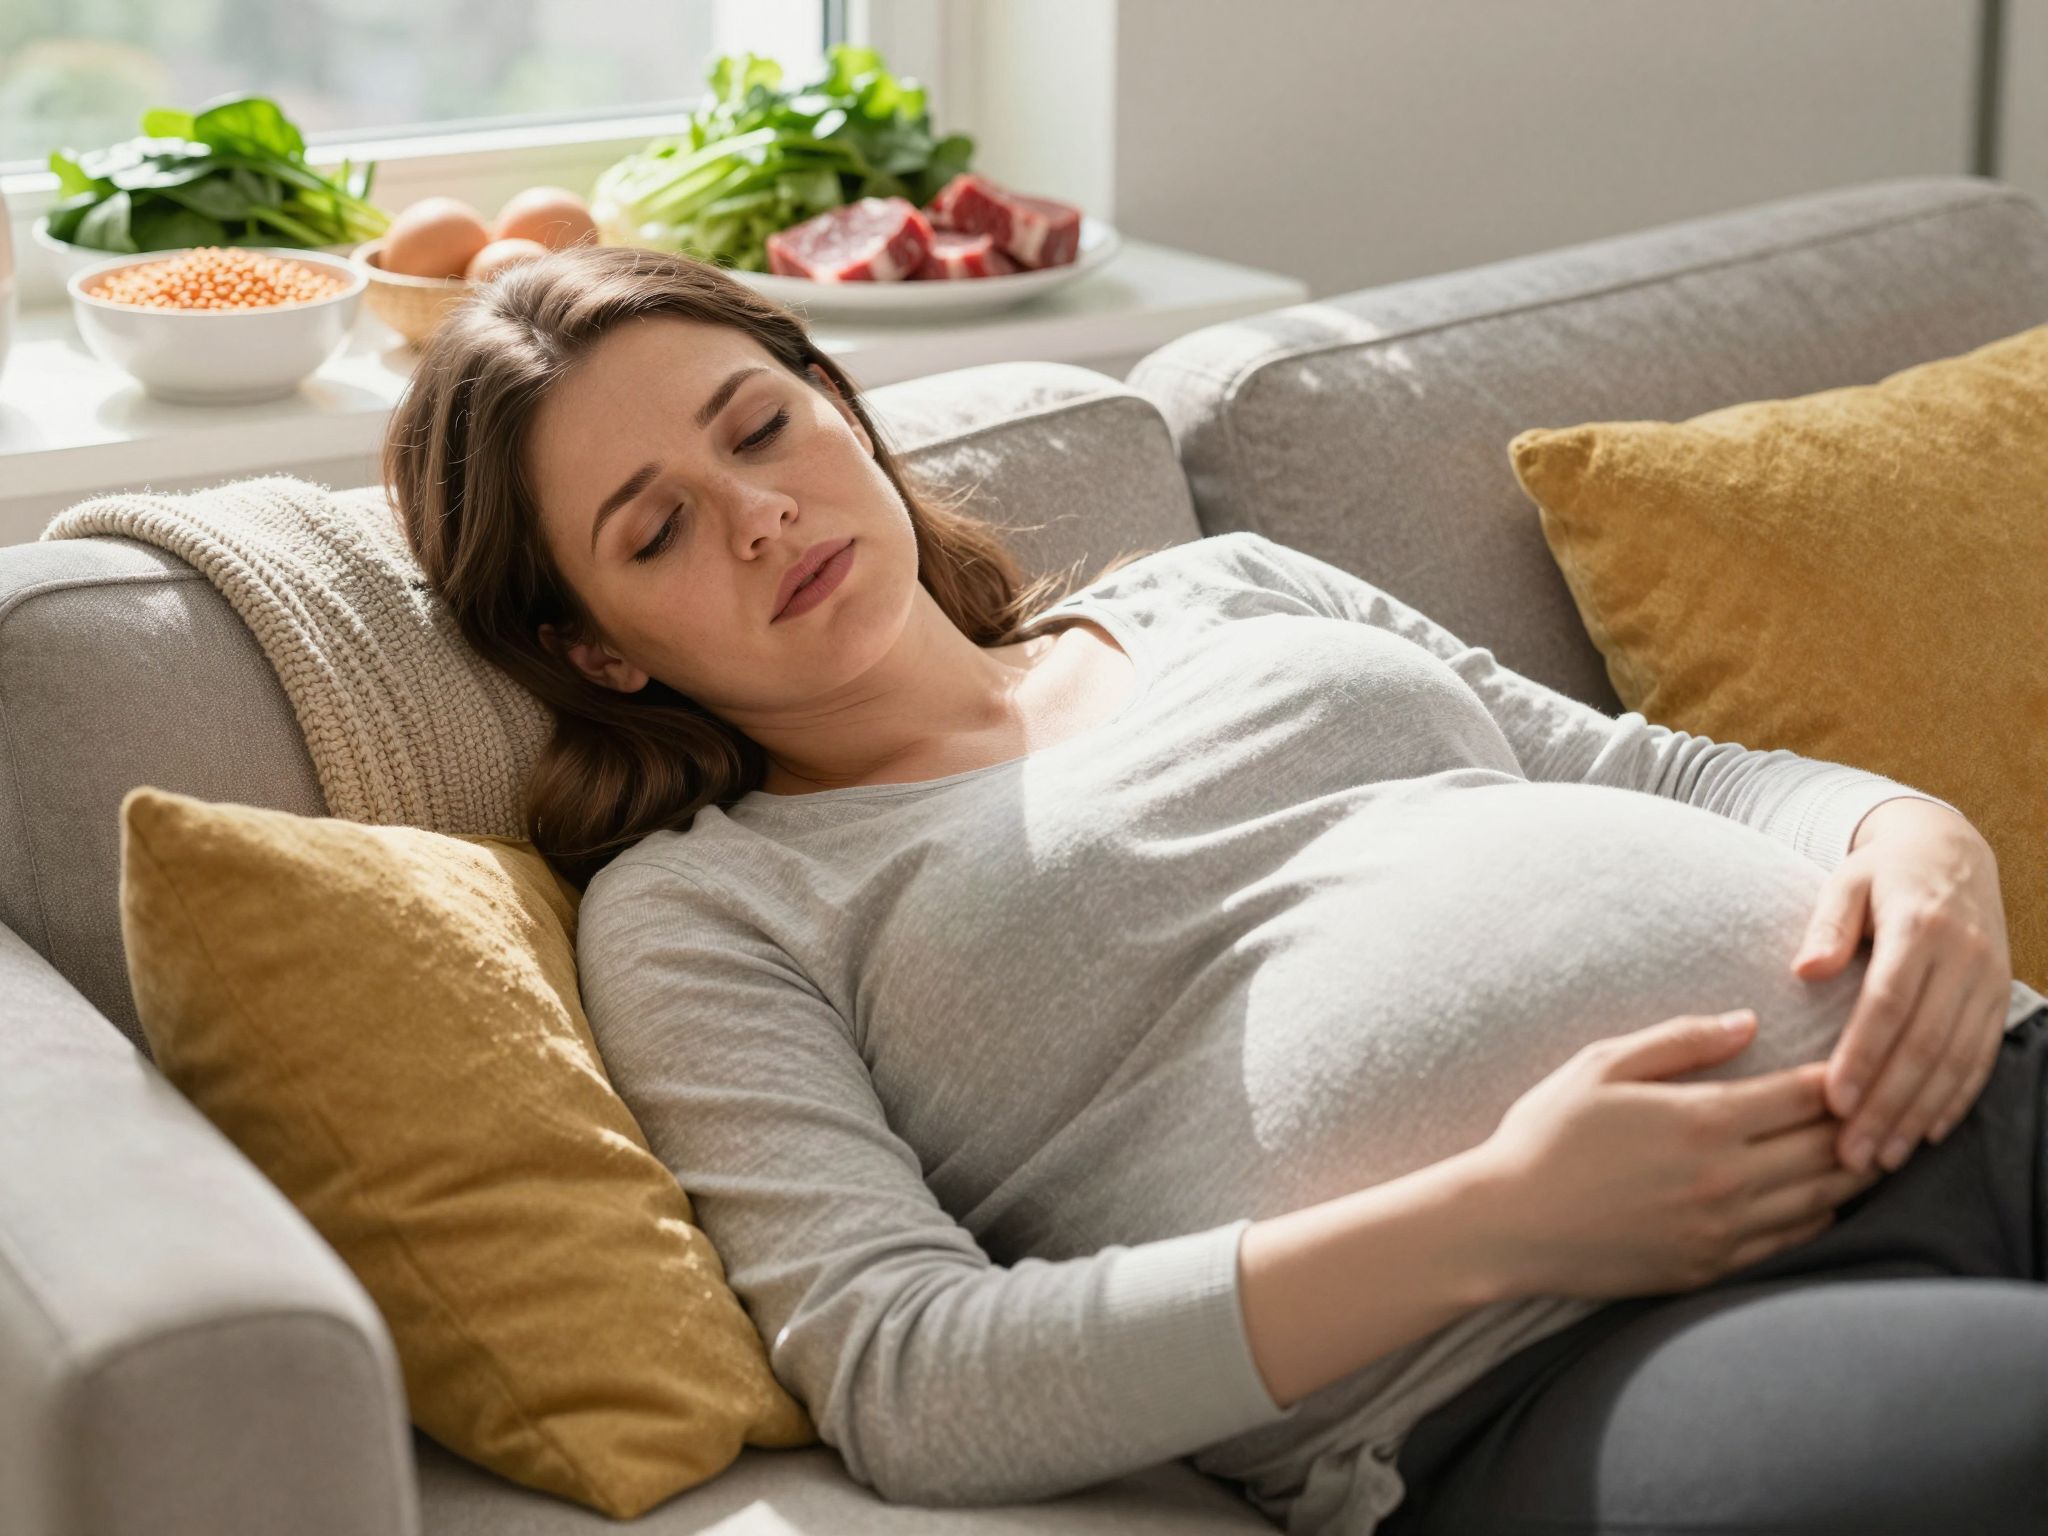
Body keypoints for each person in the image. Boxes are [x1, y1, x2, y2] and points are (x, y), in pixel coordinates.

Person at [382, 242, 2048, 1535]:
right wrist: (1493, 1220)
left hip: (1979, 1086)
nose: (757, 516)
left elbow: (1675, 776)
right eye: (653, 531)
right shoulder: (709, 908)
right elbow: (903, 1365)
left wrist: (1922, 844)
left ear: (839, 405)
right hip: (1566, 1360)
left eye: (762, 428)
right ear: (593, 646)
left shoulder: (1224, 589)